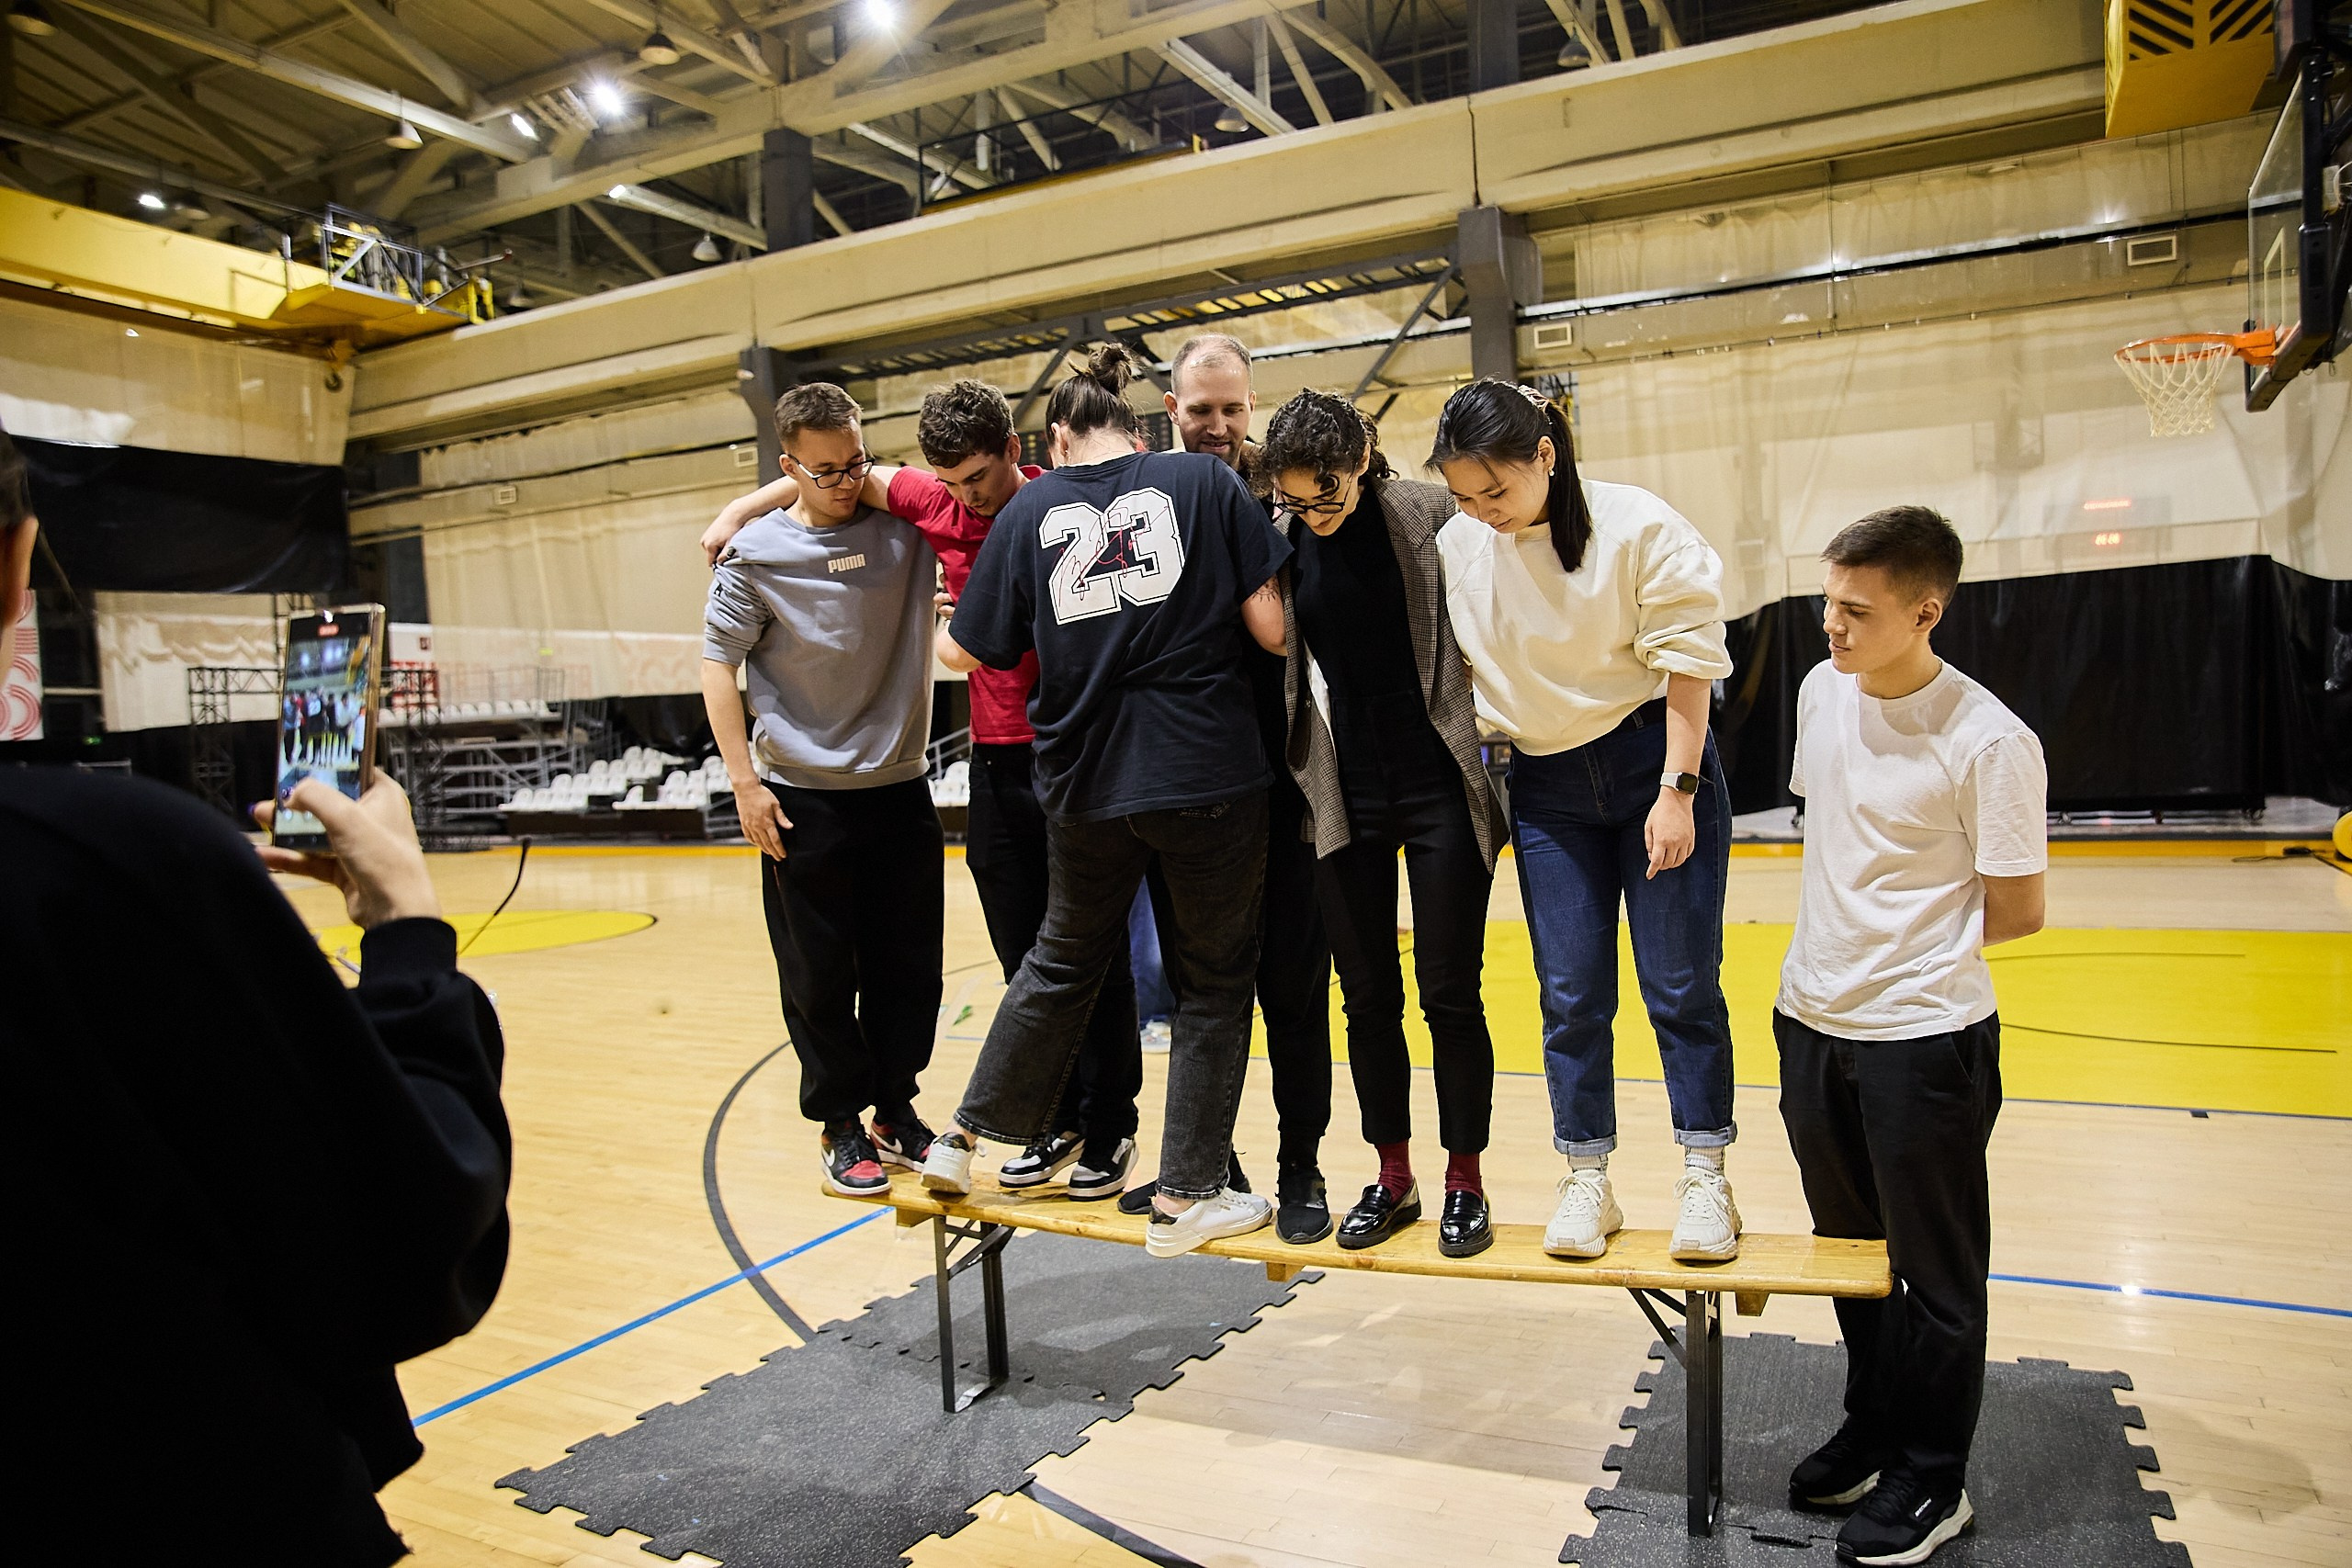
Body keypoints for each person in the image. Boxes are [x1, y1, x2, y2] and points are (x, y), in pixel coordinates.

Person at [0, 429, 512, 1566]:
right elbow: (410, 1229)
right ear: (16, 562)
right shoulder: (116, 864)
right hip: (187, 1495)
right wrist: (410, 937)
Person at [699, 381, 1143, 1200]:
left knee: (1070, 950)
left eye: (979, 477)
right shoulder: (915, 507)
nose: (967, 497)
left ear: (1018, 451)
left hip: (1066, 755)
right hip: (969, 766)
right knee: (1010, 959)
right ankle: (1031, 1115)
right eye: (953, 483)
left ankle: (1104, 1119)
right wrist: (735, 511)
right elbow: (828, 481)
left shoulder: (1054, 505)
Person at [920, 344, 1293, 1259]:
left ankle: (957, 1139)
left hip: (1084, 783)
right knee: (1211, 984)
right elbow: (1274, 633)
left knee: (1058, 963)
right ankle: (1186, 1191)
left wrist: (943, 619)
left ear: (1054, 438)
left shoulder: (1028, 509)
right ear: (1145, 422)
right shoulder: (1203, 486)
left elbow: (965, 657)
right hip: (1207, 773)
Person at [1775, 506, 2045, 1567]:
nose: (1830, 626)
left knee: (1934, 1274)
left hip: (1923, 1038)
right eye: (1825, 602)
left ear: (1924, 611)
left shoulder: (1988, 738)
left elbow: (2018, 910)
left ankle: (1935, 1479)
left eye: (1855, 610)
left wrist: (1903, 956)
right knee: (1851, 1258)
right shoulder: (1817, 691)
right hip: (1810, 1022)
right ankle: (1876, 1424)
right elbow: (1837, 840)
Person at [1430, 378, 1742, 1263]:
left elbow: (1691, 665)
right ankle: (1586, 1176)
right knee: (1570, 995)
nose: (1482, 511)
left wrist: (1678, 789)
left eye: (1497, 490)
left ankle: (1705, 1171)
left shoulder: (1637, 524)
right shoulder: (1459, 545)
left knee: (1680, 985)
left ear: (1546, 455)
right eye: (1463, 494)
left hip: (1655, 761)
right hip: (1548, 787)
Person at [1258, 389, 1508, 1258]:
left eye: (1327, 494)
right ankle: (1391, 1172)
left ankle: (1465, 1181)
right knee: (1366, 997)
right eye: (1296, 499)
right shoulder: (1285, 537)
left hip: (1439, 780)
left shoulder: (1430, 513)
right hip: (1345, 790)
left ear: (1362, 457)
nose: (1315, 514)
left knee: (1449, 993)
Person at [1117, 333, 1340, 1246]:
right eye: (1198, 410)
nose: (1215, 425)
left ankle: (1300, 1168)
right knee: (1205, 990)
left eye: (1231, 409)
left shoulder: (1285, 492)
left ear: (1251, 406)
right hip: (1184, 786)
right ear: (1170, 409)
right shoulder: (1134, 502)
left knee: (1293, 988)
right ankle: (1206, 1166)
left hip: (1283, 780)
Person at [700, 382, 947, 1199]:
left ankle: (895, 1109)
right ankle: (840, 1122)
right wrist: (743, 783)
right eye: (825, 471)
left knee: (909, 968)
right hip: (799, 795)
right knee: (816, 973)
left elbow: (918, 481)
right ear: (790, 467)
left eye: (855, 464)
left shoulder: (905, 530)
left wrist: (743, 497)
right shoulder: (758, 555)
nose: (846, 483)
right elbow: (715, 666)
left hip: (901, 785)